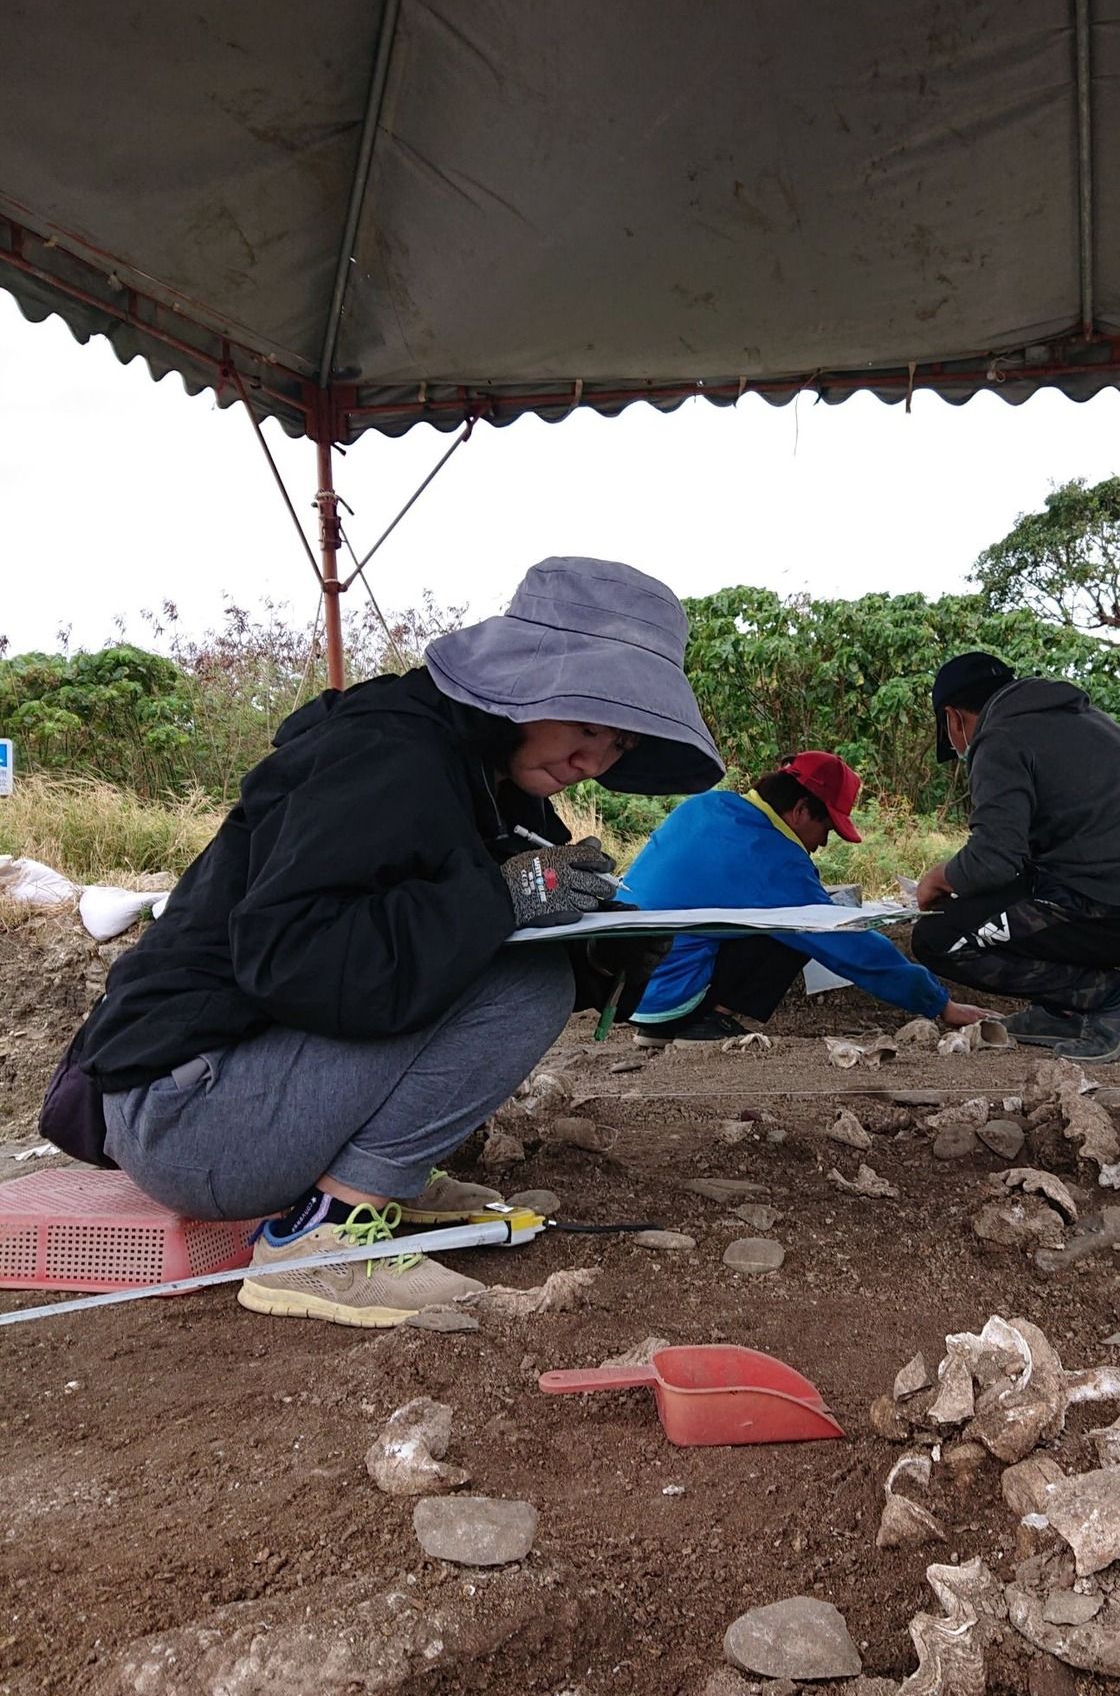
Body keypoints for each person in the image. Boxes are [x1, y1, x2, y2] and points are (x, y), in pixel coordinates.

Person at [61, 557, 723, 1327]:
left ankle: (372, 1178)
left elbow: (450, 935)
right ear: (521, 685)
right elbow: (293, 957)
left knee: (537, 966)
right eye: (584, 726)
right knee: (528, 981)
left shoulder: (490, 778)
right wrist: (503, 898)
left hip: (229, 1088)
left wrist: (604, 955)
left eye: (619, 745)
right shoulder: (388, 754)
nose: (594, 762)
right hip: (185, 1115)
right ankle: (325, 1237)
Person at [910, 652, 1120, 1063]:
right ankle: (1061, 1011)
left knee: (939, 937)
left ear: (953, 718)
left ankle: (1113, 998)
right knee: (999, 904)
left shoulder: (999, 738)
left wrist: (940, 877)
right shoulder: (1076, 719)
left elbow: (993, 860)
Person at [622, 751, 988, 1043]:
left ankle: (660, 1027)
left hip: (626, 990)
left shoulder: (706, 805)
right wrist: (940, 1003)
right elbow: (847, 943)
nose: (824, 843)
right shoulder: (774, 859)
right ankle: (705, 1020)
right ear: (799, 811)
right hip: (673, 997)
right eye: (826, 828)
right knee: (798, 930)